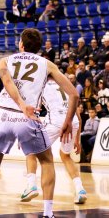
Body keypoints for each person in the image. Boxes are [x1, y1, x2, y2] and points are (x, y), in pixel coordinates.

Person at [0, 28, 78, 218]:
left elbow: (7, 82)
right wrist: (68, 121)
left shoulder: (6, 60)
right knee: (46, 161)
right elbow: (74, 94)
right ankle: (47, 213)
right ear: (38, 48)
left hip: (2, 116)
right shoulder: (48, 64)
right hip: (28, 119)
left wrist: (20, 104)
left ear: (21, 44)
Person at [20, 77, 87, 205]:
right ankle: (80, 190)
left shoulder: (39, 85)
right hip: (72, 122)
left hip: (55, 121)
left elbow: (33, 111)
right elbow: (78, 115)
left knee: (30, 152)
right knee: (66, 156)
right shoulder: (65, 84)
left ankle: (31, 185)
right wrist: (77, 139)